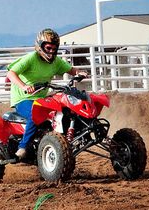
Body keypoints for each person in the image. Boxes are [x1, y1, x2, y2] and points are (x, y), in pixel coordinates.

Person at [6, 28, 88, 159]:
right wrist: (24, 86)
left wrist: (80, 73)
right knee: (35, 113)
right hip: (23, 99)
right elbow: (10, 73)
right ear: (40, 46)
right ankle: (22, 147)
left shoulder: (56, 62)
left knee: (64, 108)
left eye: (54, 49)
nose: (51, 52)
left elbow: (72, 70)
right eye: (48, 48)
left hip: (42, 98)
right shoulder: (31, 58)